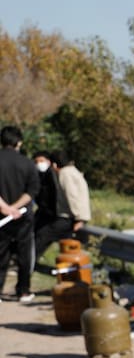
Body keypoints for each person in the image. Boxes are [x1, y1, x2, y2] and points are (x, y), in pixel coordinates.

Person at [0, 126, 39, 303]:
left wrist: (5, 208)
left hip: (1, 218)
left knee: (1, 254)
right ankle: (23, 291)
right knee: (24, 254)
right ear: (19, 142)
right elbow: (32, 191)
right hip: (22, 216)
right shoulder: (28, 163)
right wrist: (15, 208)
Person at [32, 151, 74, 263]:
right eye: (36, 161)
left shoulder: (53, 174)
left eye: (41, 161)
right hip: (49, 215)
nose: (39, 164)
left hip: (58, 217)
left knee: (41, 238)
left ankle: (27, 265)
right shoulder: (41, 175)